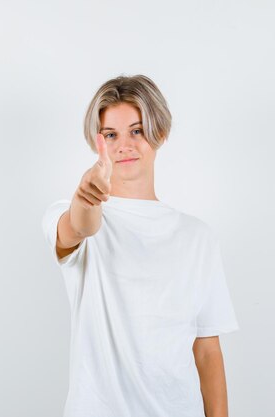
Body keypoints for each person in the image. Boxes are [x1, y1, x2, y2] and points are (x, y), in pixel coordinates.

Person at [41, 74, 240, 417]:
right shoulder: (69, 213)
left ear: (159, 133)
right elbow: (79, 228)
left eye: (137, 131)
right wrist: (87, 198)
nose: (124, 145)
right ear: (96, 141)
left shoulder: (197, 236)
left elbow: (207, 348)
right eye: (110, 135)